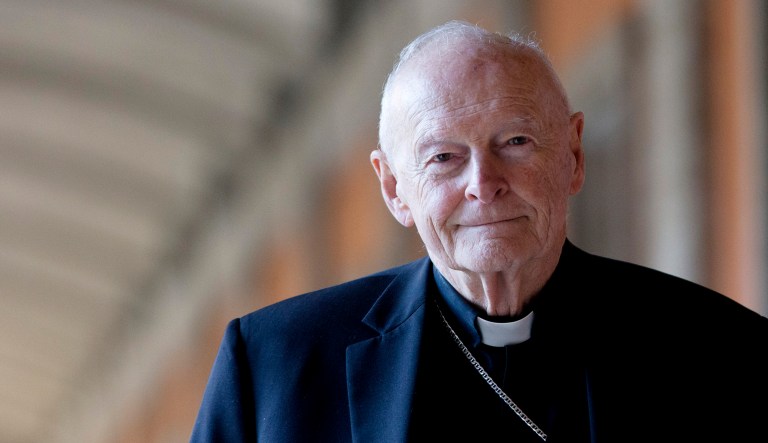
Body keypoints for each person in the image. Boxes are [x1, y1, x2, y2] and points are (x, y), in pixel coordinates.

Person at [190, 20, 768, 442]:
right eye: (443, 157)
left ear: (573, 154)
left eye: (515, 142)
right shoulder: (273, 369)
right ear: (394, 188)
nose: (484, 183)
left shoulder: (720, 352)